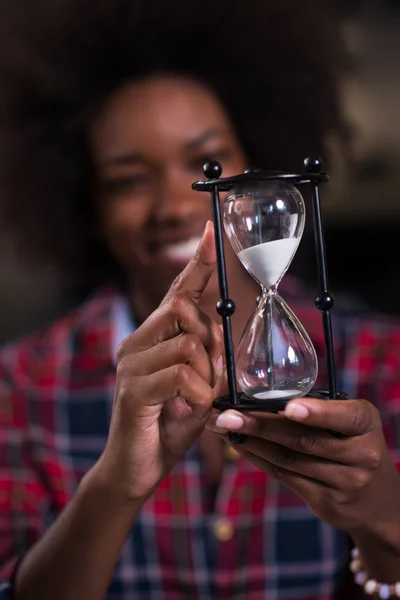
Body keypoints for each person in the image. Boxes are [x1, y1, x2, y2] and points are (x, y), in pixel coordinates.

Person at [0, 0, 399, 598]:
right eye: (130, 179)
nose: (177, 204)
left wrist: (383, 517)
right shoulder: (21, 388)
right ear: (85, 205)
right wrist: (115, 487)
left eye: (207, 164)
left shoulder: (383, 360)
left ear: (260, 164)